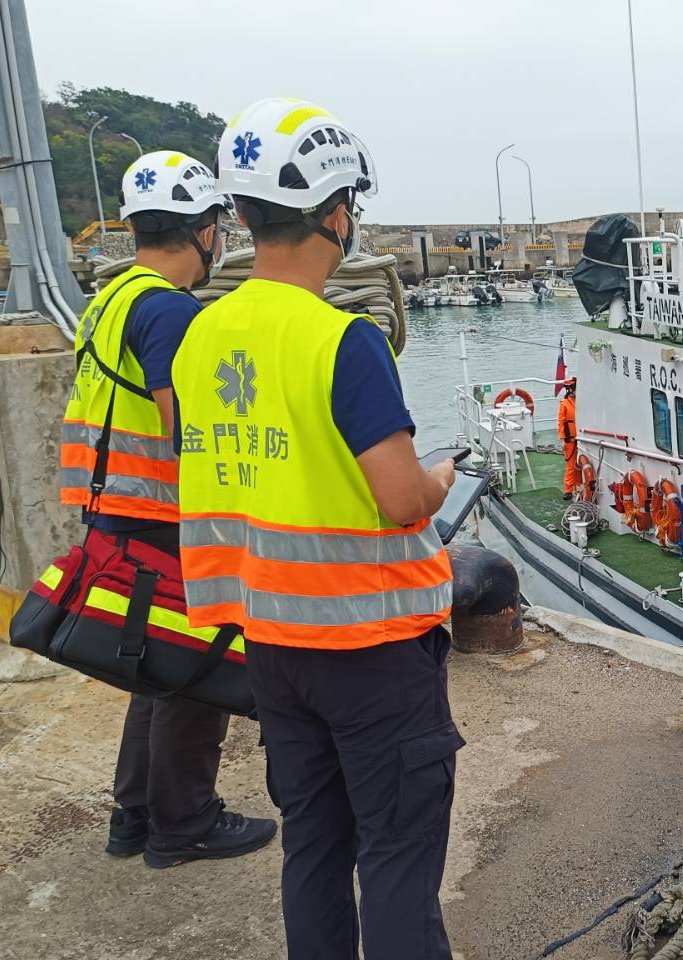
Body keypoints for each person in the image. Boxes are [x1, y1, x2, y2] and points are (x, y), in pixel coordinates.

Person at [175, 98, 460, 959]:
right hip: (370, 647)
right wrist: (445, 476)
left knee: (315, 848)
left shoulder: (198, 336)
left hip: (272, 647)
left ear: (242, 217)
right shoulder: (343, 341)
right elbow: (402, 499)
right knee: (400, 858)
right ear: (337, 215)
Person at [58, 151, 277, 867]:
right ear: (206, 228)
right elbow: (189, 431)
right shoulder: (170, 310)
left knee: (152, 667)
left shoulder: (113, 297)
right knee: (195, 667)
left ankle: (135, 816)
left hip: (111, 513)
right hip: (161, 519)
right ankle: (185, 825)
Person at [558, 377, 578, 499]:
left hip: (582, 437)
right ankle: (568, 489)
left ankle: (580, 485)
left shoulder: (581, 401)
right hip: (570, 439)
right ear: (570, 389)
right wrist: (562, 440)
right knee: (571, 465)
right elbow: (561, 422)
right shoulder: (564, 404)